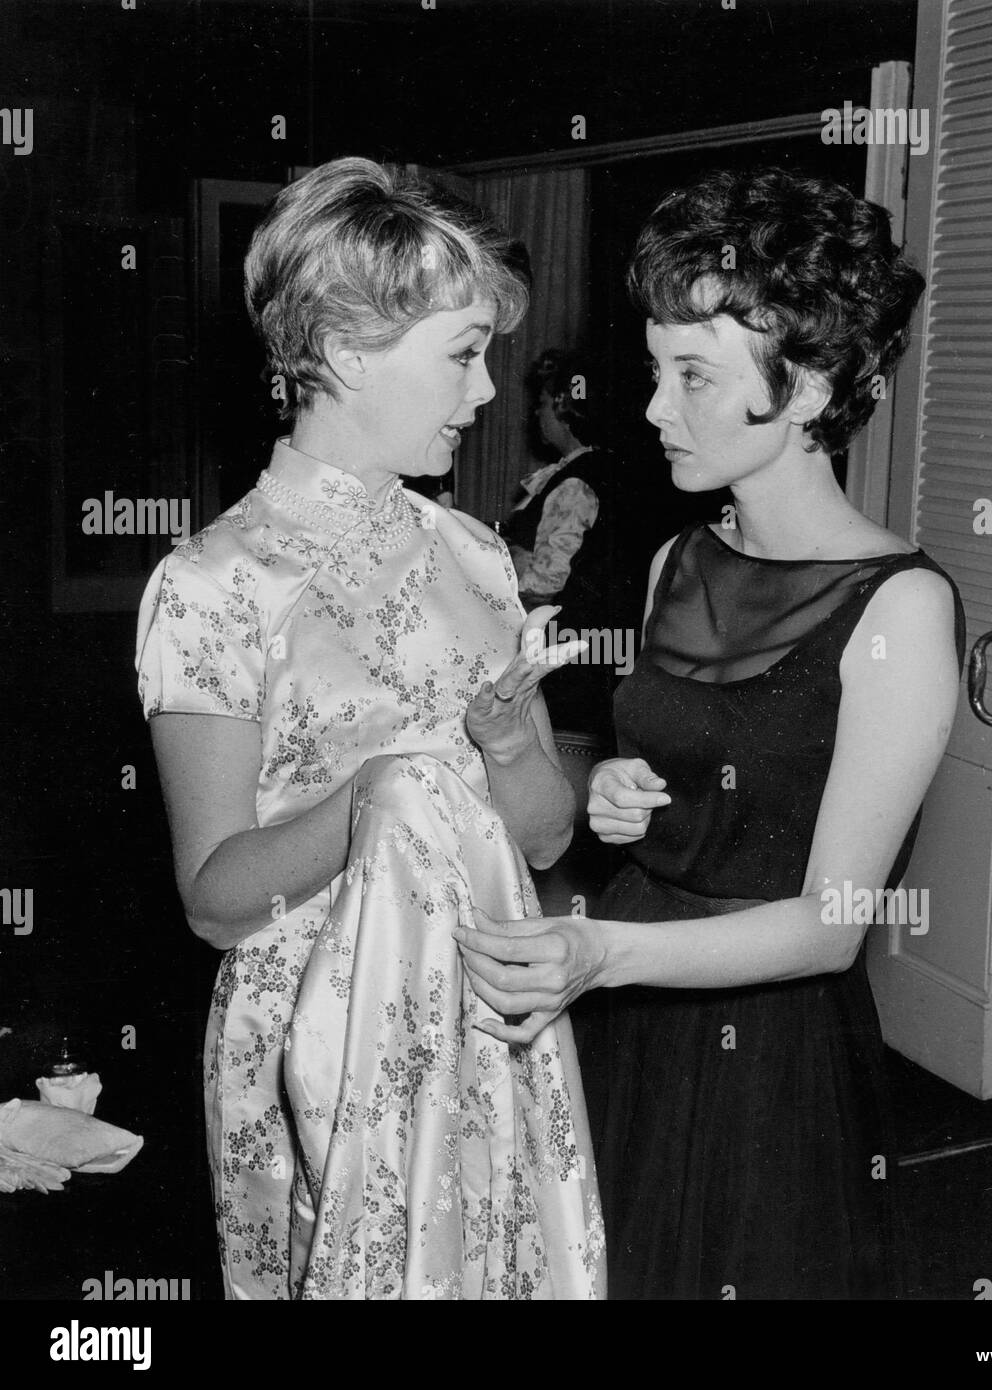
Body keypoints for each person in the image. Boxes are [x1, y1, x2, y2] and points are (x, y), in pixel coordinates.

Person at [453, 167, 966, 1299]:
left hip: (763, 1060)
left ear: (811, 386)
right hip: (625, 1018)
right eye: (655, 372)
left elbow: (831, 927)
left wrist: (597, 953)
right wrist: (622, 793)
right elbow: (686, 775)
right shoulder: (676, 563)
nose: (651, 409)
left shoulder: (901, 608)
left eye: (694, 376)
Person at [135, 158, 604, 1300]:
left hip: (488, 1015)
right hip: (316, 1052)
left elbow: (543, 846)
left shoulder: (478, 558)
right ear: (348, 353)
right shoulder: (212, 584)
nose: (488, 389)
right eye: (461, 352)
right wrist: (379, 794)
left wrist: (501, 749)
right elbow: (211, 897)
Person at [500, 350, 621, 739]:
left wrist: (503, 565)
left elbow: (547, 581)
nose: (537, 414)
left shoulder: (575, 482)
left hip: (564, 657)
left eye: (542, 404)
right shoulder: (580, 470)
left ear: (564, 407)